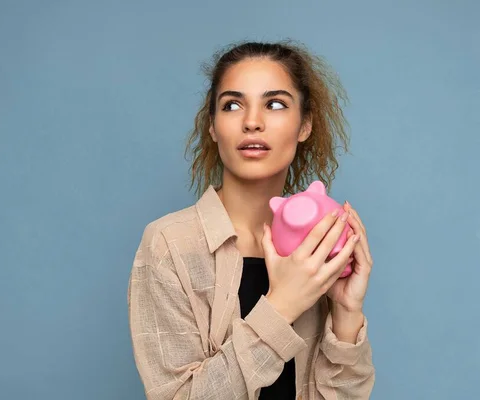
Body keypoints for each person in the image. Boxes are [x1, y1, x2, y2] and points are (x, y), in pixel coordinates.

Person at [127, 40, 375, 400]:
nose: (252, 122)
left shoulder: (316, 248)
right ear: (213, 127)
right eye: (232, 105)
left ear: (304, 125)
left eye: (274, 104)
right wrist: (283, 304)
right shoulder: (170, 244)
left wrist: (347, 311)